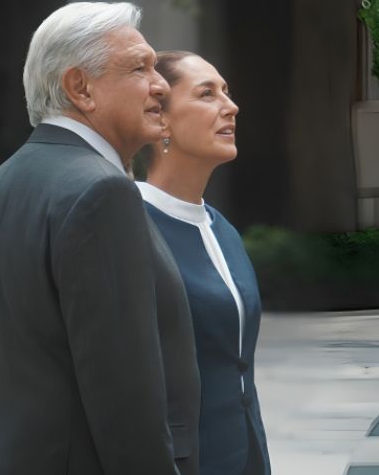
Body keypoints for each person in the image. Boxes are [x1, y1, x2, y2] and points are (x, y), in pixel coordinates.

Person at [0, 3, 200, 474]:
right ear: (79, 87)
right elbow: (125, 399)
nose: (161, 85)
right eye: (139, 68)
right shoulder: (102, 192)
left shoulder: (0, 185)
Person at [136, 51, 271, 475]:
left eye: (226, 93)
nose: (231, 107)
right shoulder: (130, 230)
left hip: (245, 452)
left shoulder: (223, 229)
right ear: (161, 119)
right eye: (207, 94)